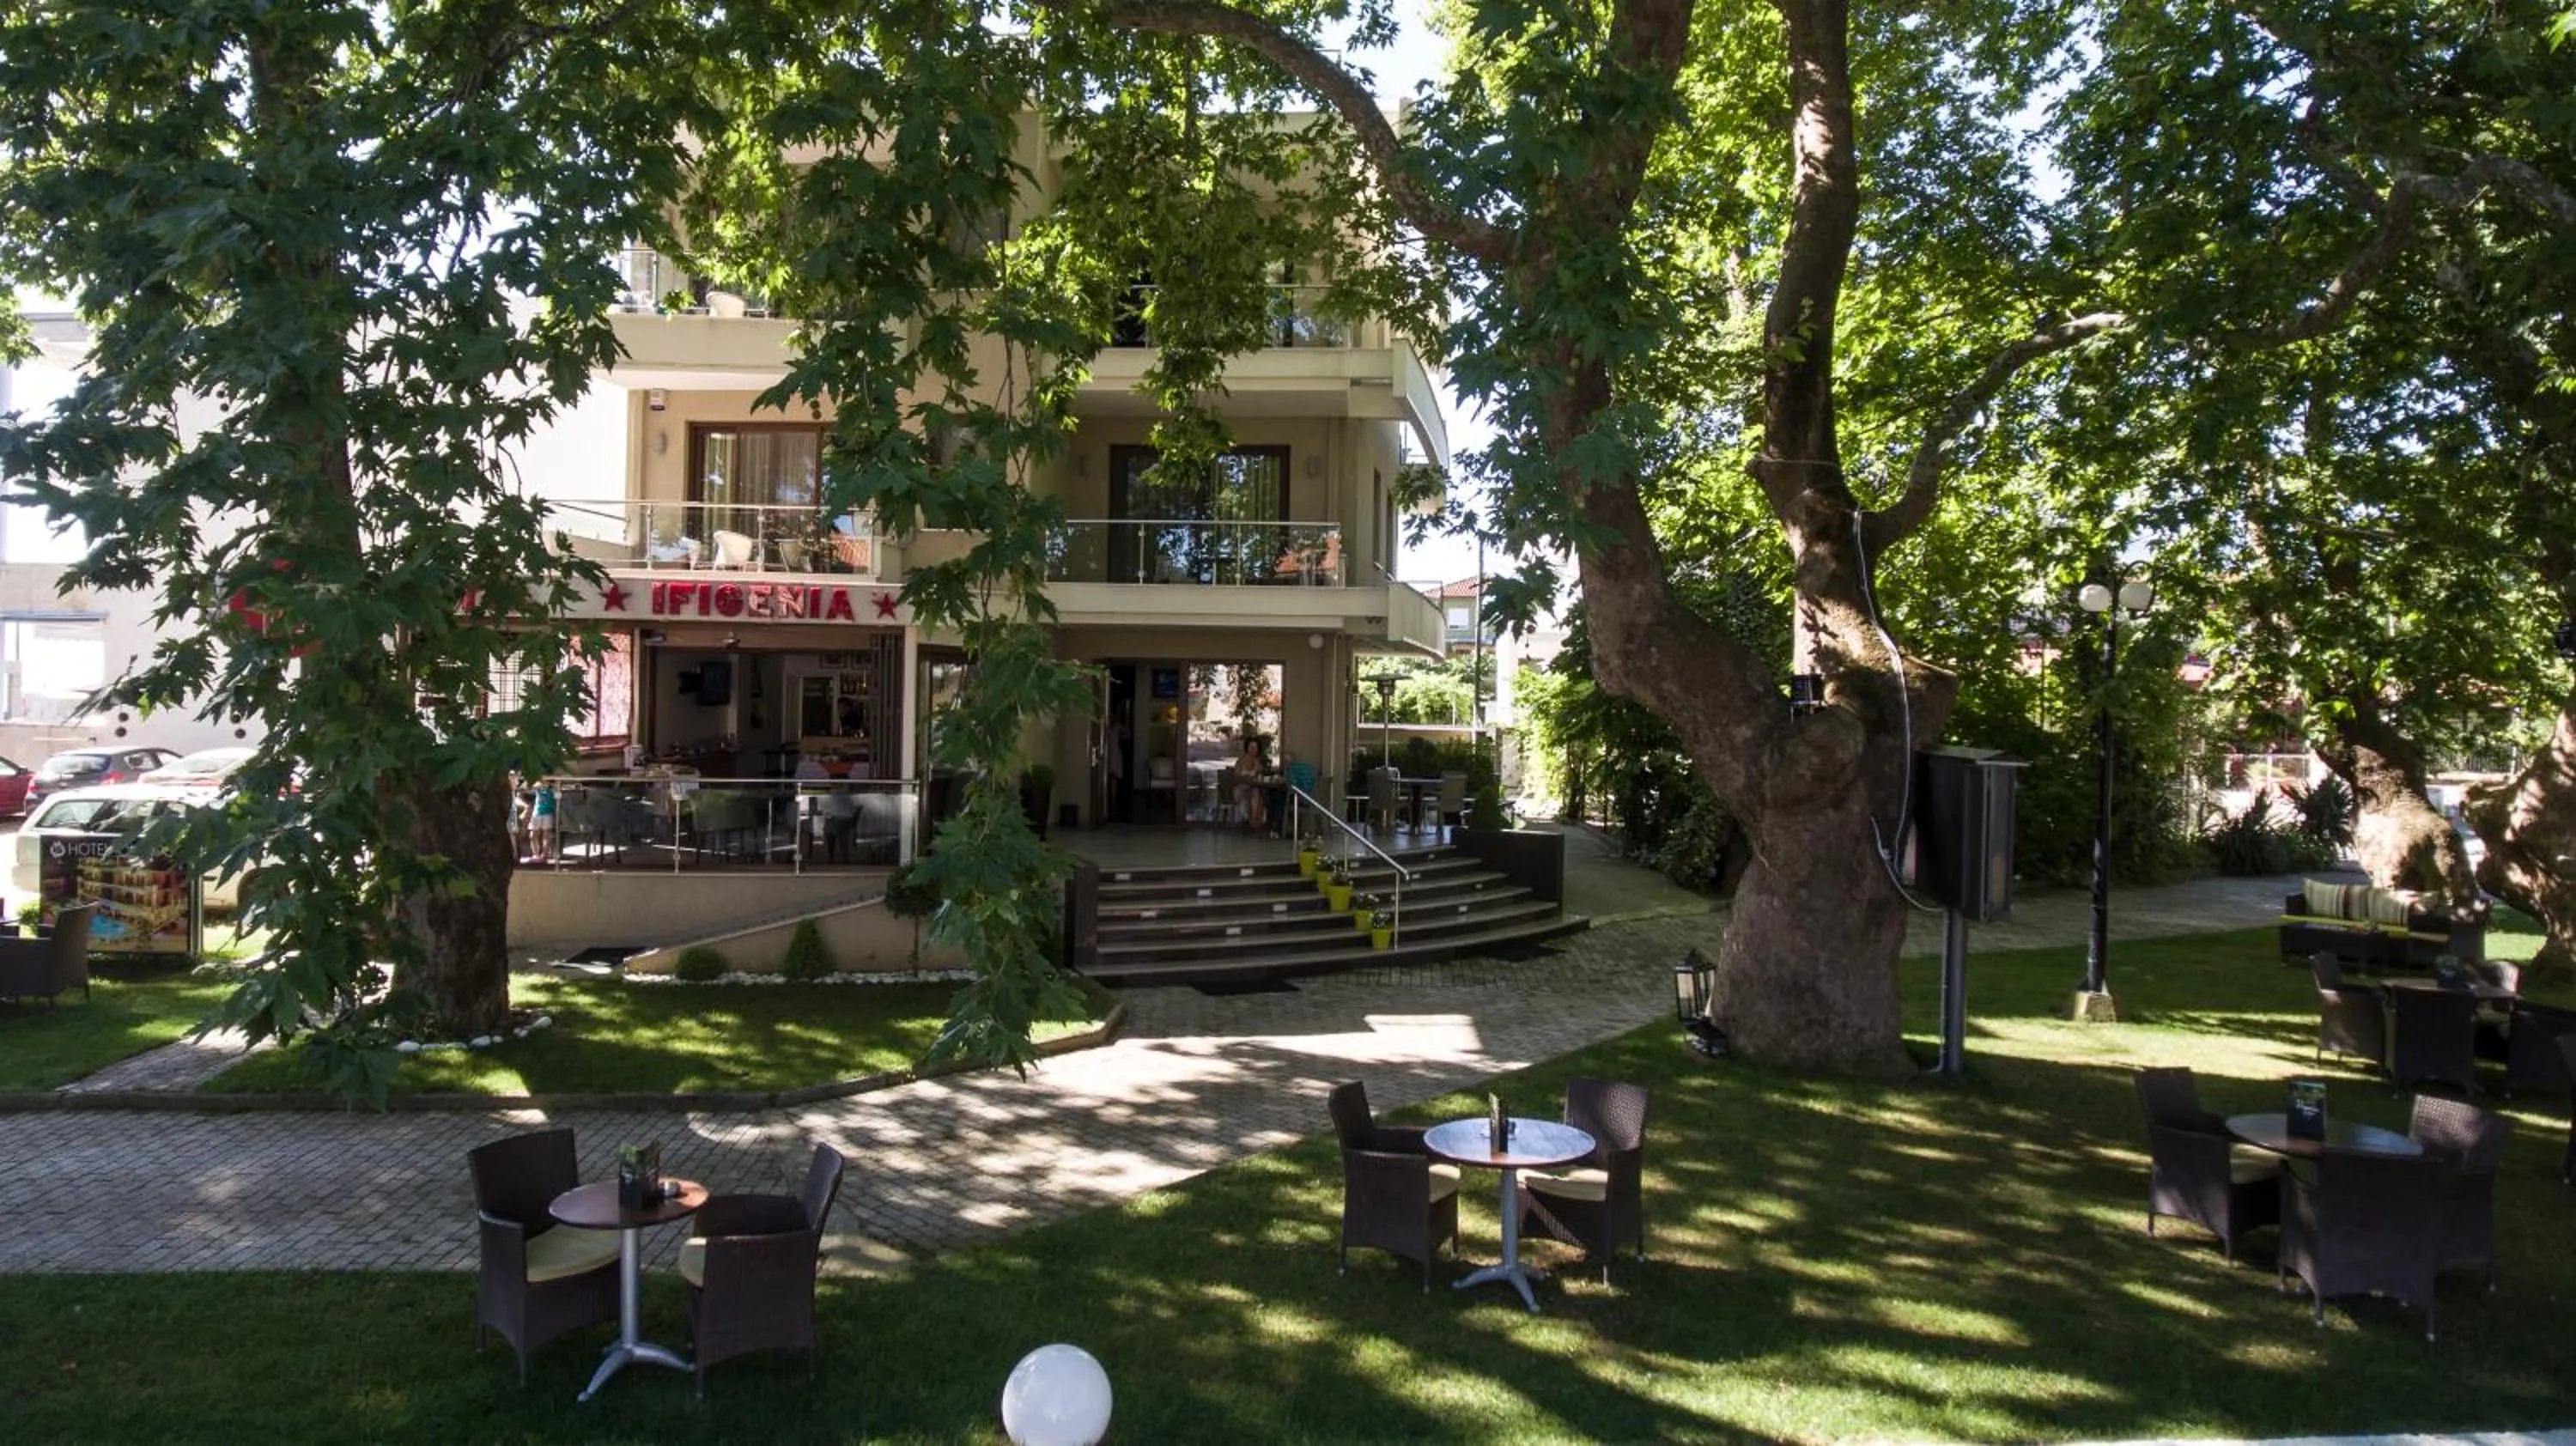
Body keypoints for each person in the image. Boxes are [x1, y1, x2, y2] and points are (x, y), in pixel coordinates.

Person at [1233, 738, 1267, 834]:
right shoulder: (1241, 761)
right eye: (1251, 747)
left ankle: (1255, 822)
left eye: (1255, 748)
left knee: (1257, 793)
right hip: (1240, 789)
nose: (1253, 750)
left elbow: (1260, 776)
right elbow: (1236, 777)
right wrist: (1247, 779)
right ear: (1247, 748)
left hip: (1253, 788)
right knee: (1254, 792)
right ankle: (1254, 822)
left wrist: (1257, 767)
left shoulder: (1258, 762)